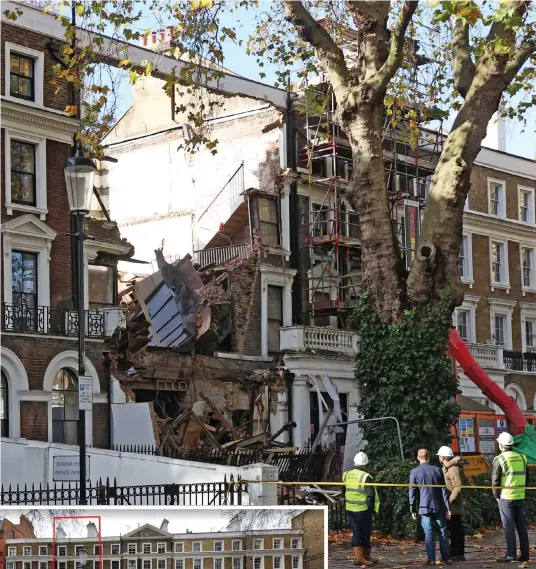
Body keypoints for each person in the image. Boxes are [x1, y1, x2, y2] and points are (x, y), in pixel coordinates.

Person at [409, 449, 451, 566]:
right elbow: (444, 490)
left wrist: (413, 508)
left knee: (428, 533)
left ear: (418, 458)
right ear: (429, 457)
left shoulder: (414, 472)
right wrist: (448, 508)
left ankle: (431, 559)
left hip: (423, 507)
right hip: (438, 506)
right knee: (442, 531)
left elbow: (412, 491)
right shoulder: (437, 470)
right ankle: (446, 559)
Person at [493, 431, 530, 563]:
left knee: (508, 527)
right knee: (521, 526)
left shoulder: (499, 459)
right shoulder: (522, 457)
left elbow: (495, 482)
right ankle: (525, 554)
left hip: (506, 497)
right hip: (520, 496)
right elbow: (527, 479)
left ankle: (511, 554)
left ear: (501, 445)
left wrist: (497, 497)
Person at [342, 451, 380, 566]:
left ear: (354, 462)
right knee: (364, 533)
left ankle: (364, 556)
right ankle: (360, 558)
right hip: (363, 510)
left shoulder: (346, 474)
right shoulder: (366, 477)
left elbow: (344, 491)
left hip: (350, 508)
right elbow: (370, 495)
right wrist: (370, 509)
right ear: (365, 464)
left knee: (357, 532)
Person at [437, 446, 466, 562]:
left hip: (454, 504)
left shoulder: (453, 468)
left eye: (439, 455)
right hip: (452, 504)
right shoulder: (447, 467)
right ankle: (454, 552)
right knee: (454, 529)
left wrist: (448, 501)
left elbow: (457, 486)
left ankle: (457, 553)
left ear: (443, 457)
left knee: (456, 529)